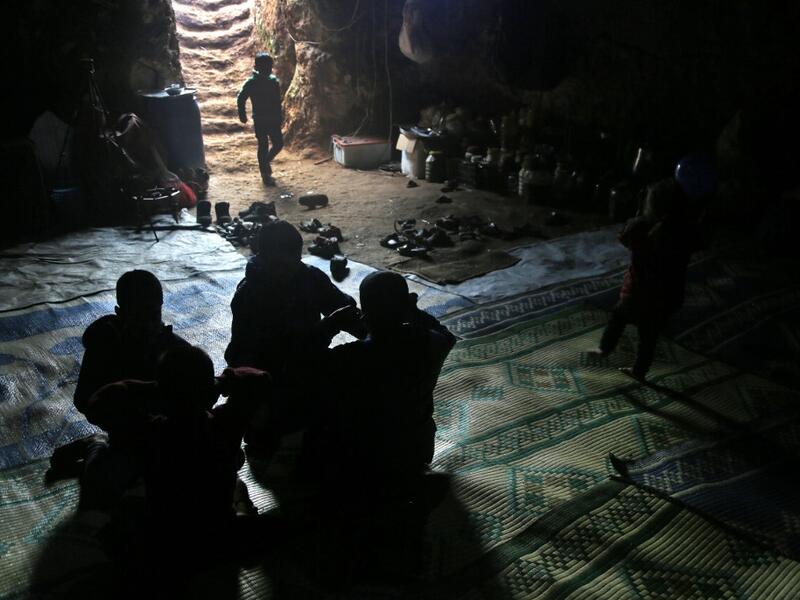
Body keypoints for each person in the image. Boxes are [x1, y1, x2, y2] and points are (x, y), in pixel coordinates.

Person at [85, 346, 272, 565]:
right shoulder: (227, 425)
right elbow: (261, 379)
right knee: (235, 471)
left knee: (116, 506)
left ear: (162, 396)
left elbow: (97, 404)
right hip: (215, 535)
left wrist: (154, 387)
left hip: (166, 543)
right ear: (207, 392)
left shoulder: (150, 433)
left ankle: (93, 445)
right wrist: (221, 380)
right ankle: (242, 509)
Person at [300, 271, 456, 503]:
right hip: (415, 450)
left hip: (366, 459)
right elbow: (446, 334)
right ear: (407, 305)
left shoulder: (348, 359)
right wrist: (410, 310)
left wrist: (330, 325)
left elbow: (302, 362)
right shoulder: (435, 344)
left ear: (365, 315)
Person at [48, 270, 188, 486]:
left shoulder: (174, 349)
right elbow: (84, 400)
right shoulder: (104, 347)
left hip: (163, 429)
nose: (150, 325)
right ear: (120, 314)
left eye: (155, 315)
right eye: (140, 317)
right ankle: (95, 444)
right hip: (124, 428)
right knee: (106, 479)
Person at [591, 179, 702, 380]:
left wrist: (638, 214)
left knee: (618, 317)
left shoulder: (642, 228)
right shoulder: (686, 233)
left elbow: (623, 237)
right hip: (668, 295)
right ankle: (639, 371)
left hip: (639, 292)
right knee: (648, 336)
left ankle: (604, 349)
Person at [225, 220, 364, 376]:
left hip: (309, 357)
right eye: (282, 264)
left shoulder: (308, 276)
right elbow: (281, 354)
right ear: (265, 257)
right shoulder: (249, 296)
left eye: (296, 259)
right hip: (270, 376)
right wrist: (328, 328)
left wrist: (374, 332)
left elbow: (342, 308)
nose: (291, 269)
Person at [237, 52, 284, 185]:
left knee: (278, 144)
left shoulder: (274, 82)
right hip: (260, 119)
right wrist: (242, 113)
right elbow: (241, 97)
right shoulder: (251, 83)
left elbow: (277, 102)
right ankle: (265, 174)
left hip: (273, 119)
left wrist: (280, 116)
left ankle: (265, 162)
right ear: (256, 67)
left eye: (269, 66)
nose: (268, 69)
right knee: (263, 145)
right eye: (265, 67)